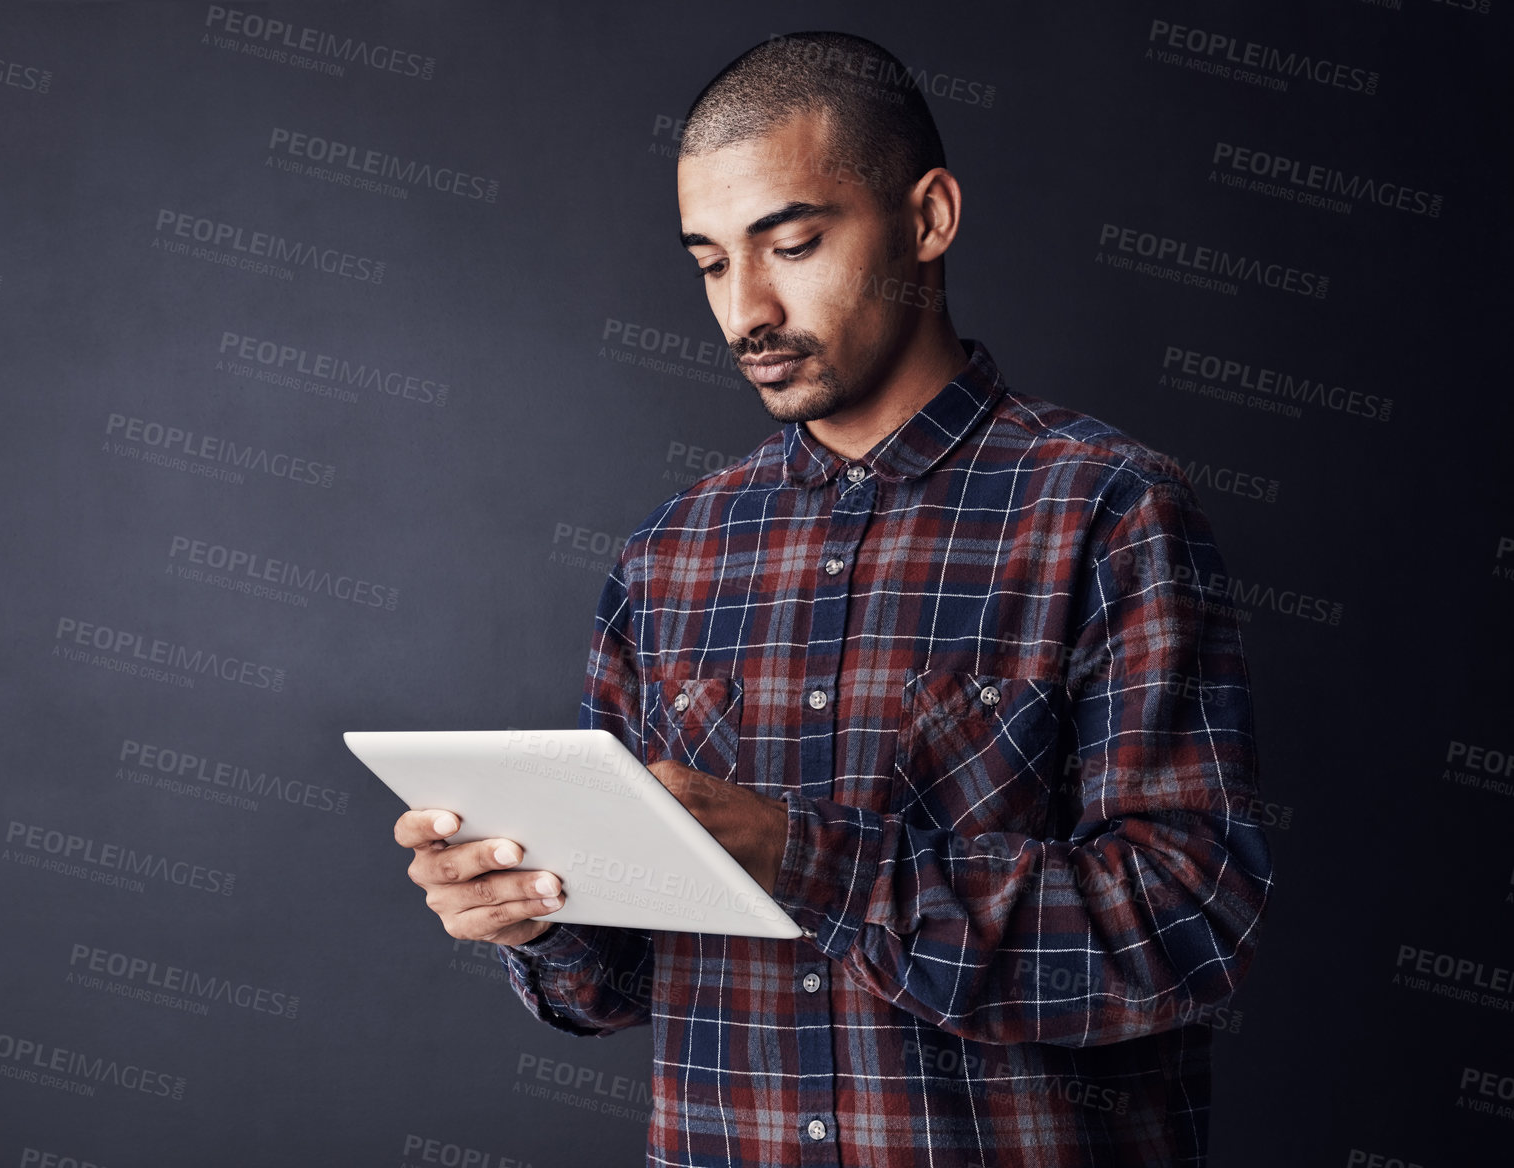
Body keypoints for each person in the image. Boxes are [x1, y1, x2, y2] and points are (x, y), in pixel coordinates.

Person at [393, 29, 1274, 1168]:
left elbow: (1185, 921)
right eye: (710, 263)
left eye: (792, 243)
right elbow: (617, 984)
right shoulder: (673, 553)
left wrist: (806, 855)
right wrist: (533, 913)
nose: (744, 309)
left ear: (930, 217)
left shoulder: (1108, 510)